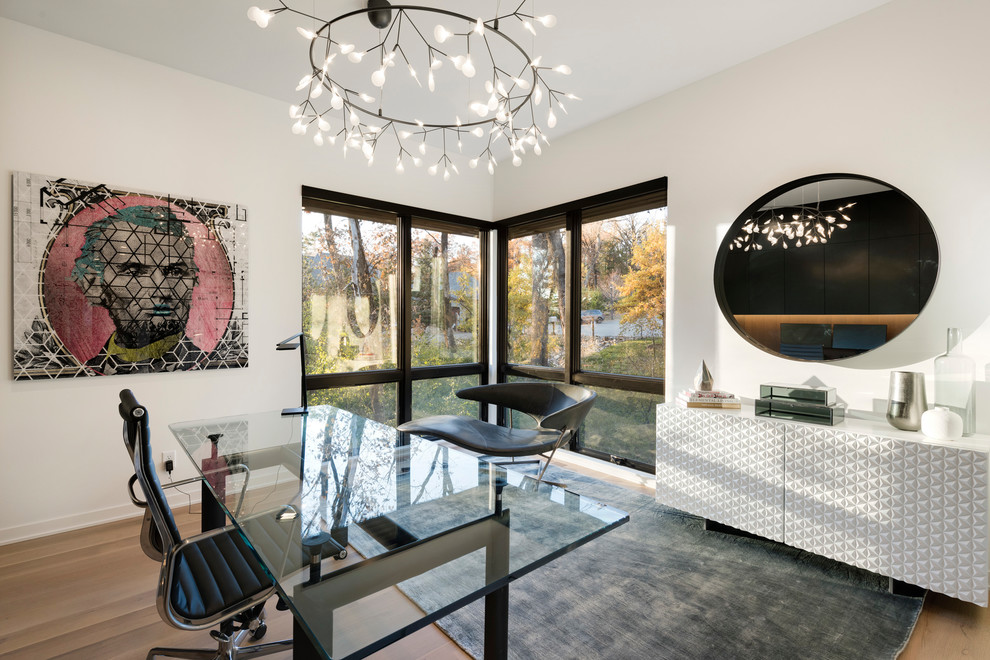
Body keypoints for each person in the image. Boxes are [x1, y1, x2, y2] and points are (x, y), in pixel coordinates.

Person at [69, 205, 220, 375]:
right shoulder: (82, 374)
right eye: (134, 272)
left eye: (175, 272)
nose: (163, 290)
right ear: (93, 285)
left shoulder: (212, 369)